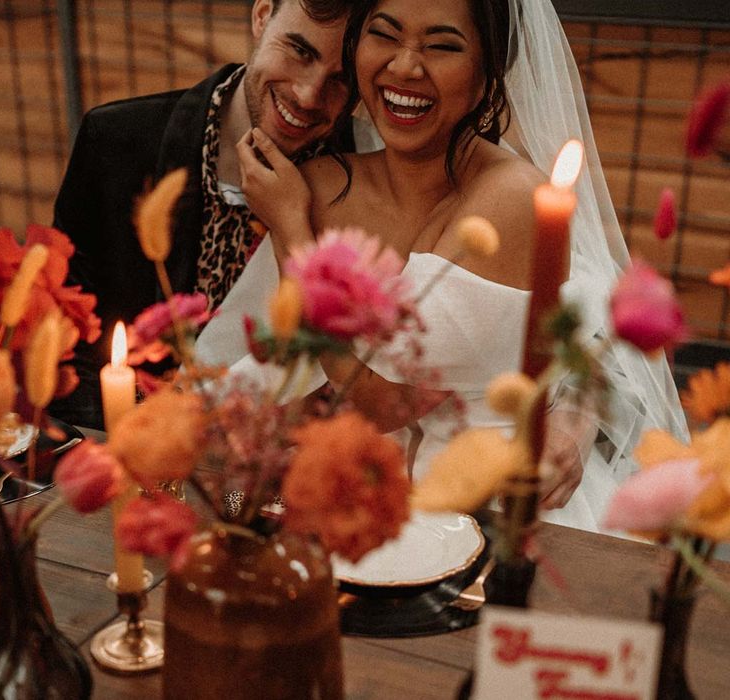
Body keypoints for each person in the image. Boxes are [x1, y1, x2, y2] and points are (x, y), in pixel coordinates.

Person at [195, 0, 689, 532]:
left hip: (495, 516)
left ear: (486, 75)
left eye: (442, 45)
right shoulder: (317, 183)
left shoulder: (513, 198)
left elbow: (387, 403)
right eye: (384, 35)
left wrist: (293, 231)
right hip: (348, 504)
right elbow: (264, 364)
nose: (406, 67)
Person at [48, 0, 369, 430]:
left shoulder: (369, 182)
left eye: (340, 80)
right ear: (261, 15)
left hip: (258, 486)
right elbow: (65, 351)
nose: (309, 94)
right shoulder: (114, 142)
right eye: (300, 51)